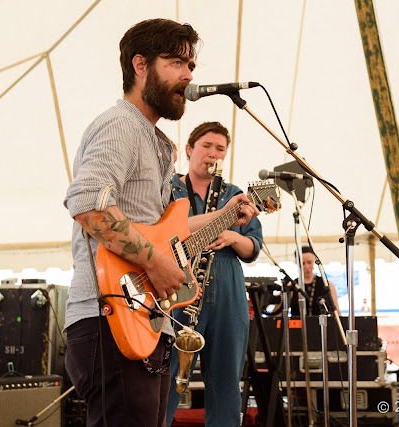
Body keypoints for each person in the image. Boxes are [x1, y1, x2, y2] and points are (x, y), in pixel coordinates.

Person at [63, 20, 259, 427]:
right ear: (140, 65)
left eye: (191, 65)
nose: (188, 75)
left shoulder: (158, 143)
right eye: (176, 62)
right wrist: (154, 261)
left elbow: (170, 229)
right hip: (110, 315)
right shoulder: (120, 125)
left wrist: (227, 216)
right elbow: (87, 203)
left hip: (144, 318)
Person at [165, 121, 263, 426]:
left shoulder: (235, 194)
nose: (213, 154)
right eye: (206, 146)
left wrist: (234, 238)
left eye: (220, 149)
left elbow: (253, 247)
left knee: (225, 383)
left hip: (227, 295)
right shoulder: (170, 188)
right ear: (190, 149)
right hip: (176, 293)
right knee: (165, 380)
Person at [289, 246, 339, 316]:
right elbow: (278, 314)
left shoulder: (327, 284)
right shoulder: (291, 285)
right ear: (297, 263)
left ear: (314, 262)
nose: (307, 267)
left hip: (322, 325)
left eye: (309, 262)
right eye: (303, 263)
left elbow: (336, 313)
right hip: (298, 325)